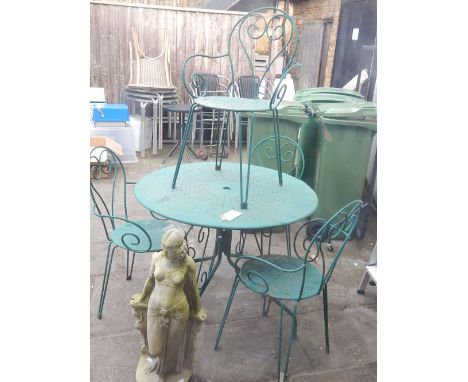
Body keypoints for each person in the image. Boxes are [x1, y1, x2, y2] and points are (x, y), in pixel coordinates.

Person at [133, 228, 207, 379]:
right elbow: (149, 281)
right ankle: (155, 358)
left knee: (173, 345)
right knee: (154, 347)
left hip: (178, 311)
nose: (166, 252)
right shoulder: (158, 258)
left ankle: (165, 370)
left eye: (169, 250)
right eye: (164, 249)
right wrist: (141, 298)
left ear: (179, 248)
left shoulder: (188, 263)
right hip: (155, 308)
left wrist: (198, 309)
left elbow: (193, 288)